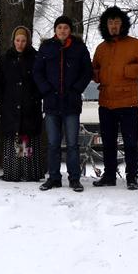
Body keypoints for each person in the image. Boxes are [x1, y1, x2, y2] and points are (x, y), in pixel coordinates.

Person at [91, 6, 138, 190]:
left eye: (117, 22)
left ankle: (132, 177)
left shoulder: (135, 44)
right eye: (110, 22)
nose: (114, 26)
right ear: (105, 25)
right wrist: (98, 75)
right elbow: (95, 70)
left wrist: (128, 71)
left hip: (127, 102)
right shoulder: (101, 48)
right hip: (106, 102)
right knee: (108, 142)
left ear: (123, 24)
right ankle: (109, 176)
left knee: (130, 141)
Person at [33, 15, 93, 192]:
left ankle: (74, 178)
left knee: (73, 144)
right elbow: (37, 72)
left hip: (71, 103)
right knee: (53, 143)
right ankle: (54, 178)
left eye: (66, 28)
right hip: (51, 103)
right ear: (55, 30)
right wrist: (46, 90)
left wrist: (76, 89)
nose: (62, 31)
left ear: (70, 30)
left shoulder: (79, 48)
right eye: (59, 28)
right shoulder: (46, 47)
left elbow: (87, 72)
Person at [0, 26, 44, 182]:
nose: (20, 44)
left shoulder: (35, 58)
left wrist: (34, 98)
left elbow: (40, 82)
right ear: (13, 40)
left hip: (29, 106)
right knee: (14, 139)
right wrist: (1, 100)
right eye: (17, 40)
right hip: (10, 106)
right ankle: (13, 172)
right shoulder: (6, 58)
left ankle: (27, 172)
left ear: (27, 41)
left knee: (25, 139)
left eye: (23, 40)